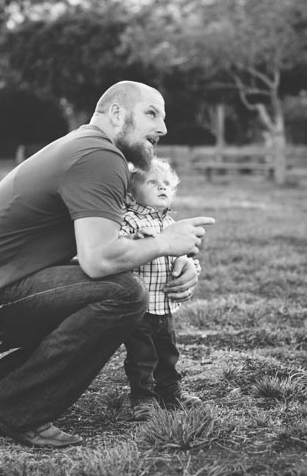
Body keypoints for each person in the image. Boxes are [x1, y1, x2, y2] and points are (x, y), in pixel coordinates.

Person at [0, 81, 215, 447]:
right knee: (123, 294)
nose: (163, 129)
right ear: (117, 113)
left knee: (118, 286)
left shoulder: (86, 147)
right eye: (151, 113)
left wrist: (174, 258)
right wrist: (165, 242)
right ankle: (15, 407)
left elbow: (92, 253)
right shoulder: (99, 156)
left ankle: (11, 382)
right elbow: (99, 260)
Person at [119, 157, 203, 421]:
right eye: (153, 182)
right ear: (132, 194)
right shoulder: (130, 221)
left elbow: (187, 255)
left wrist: (188, 262)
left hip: (165, 305)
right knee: (142, 357)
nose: (162, 187)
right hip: (140, 307)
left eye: (167, 184)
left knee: (168, 353)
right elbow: (116, 248)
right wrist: (133, 241)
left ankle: (171, 390)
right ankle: (142, 398)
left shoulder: (171, 226)